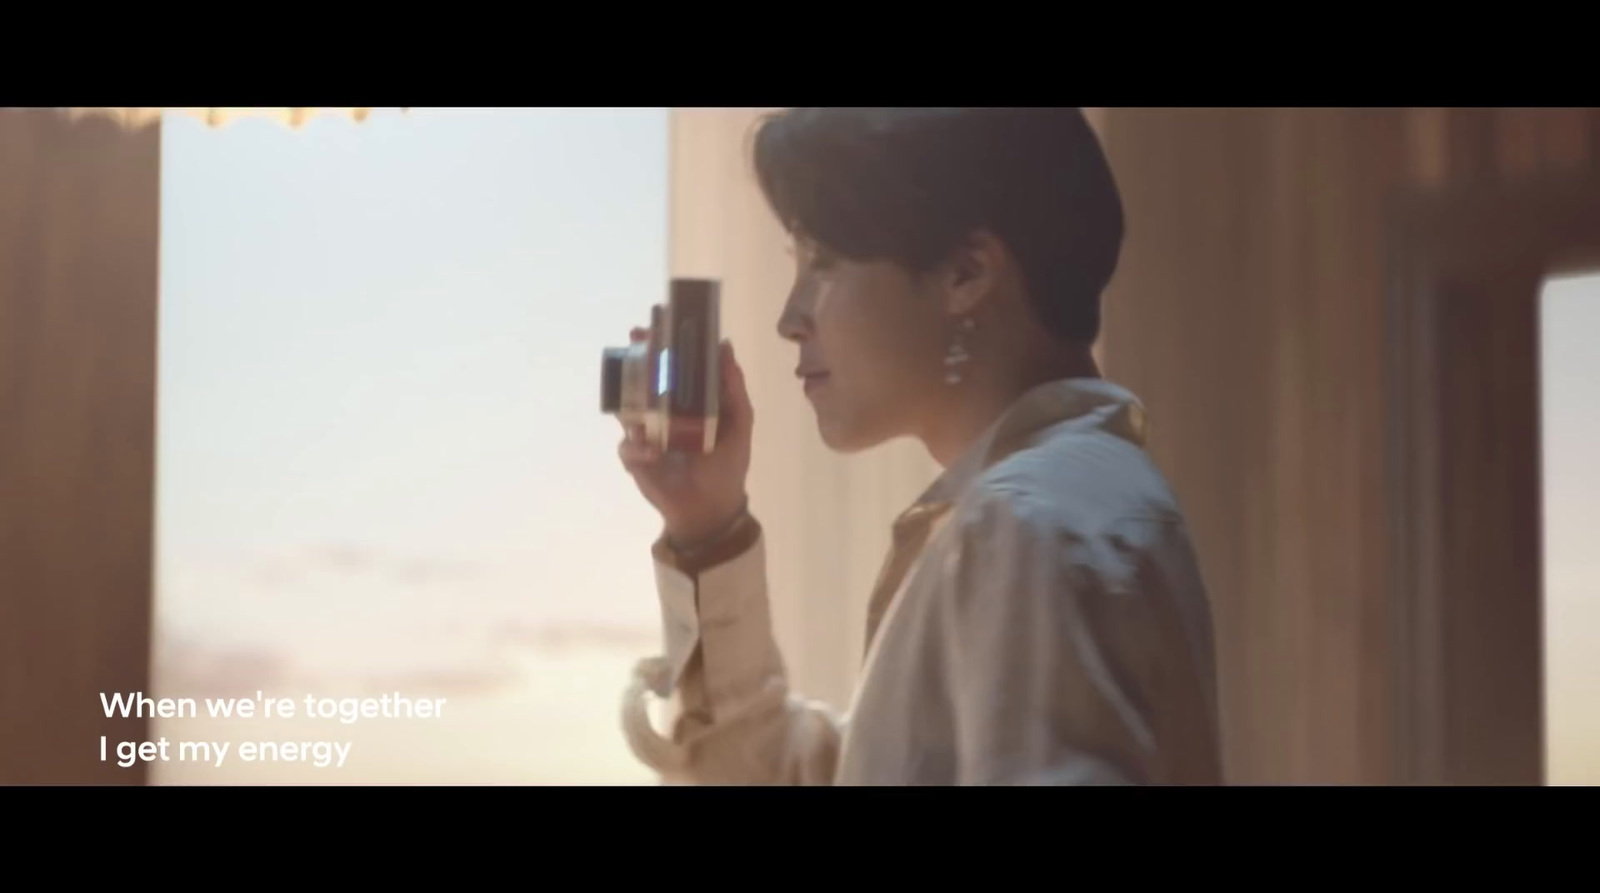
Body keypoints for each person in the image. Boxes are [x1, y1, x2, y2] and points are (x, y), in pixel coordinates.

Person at [616, 108, 1222, 785]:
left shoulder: (1030, 524)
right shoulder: (1048, 508)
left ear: (966, 272)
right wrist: (708, 531)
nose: (791, 319)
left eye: (823, 262)